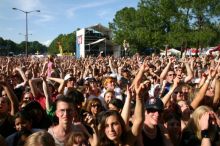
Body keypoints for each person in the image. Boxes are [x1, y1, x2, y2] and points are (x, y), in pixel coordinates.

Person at [98, 61, 145, 146]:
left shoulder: (127, 142)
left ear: (121, 125)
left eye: (115, 124)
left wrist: (139, 97)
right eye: (106, 126)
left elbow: (139, 120)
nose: (111, 129)